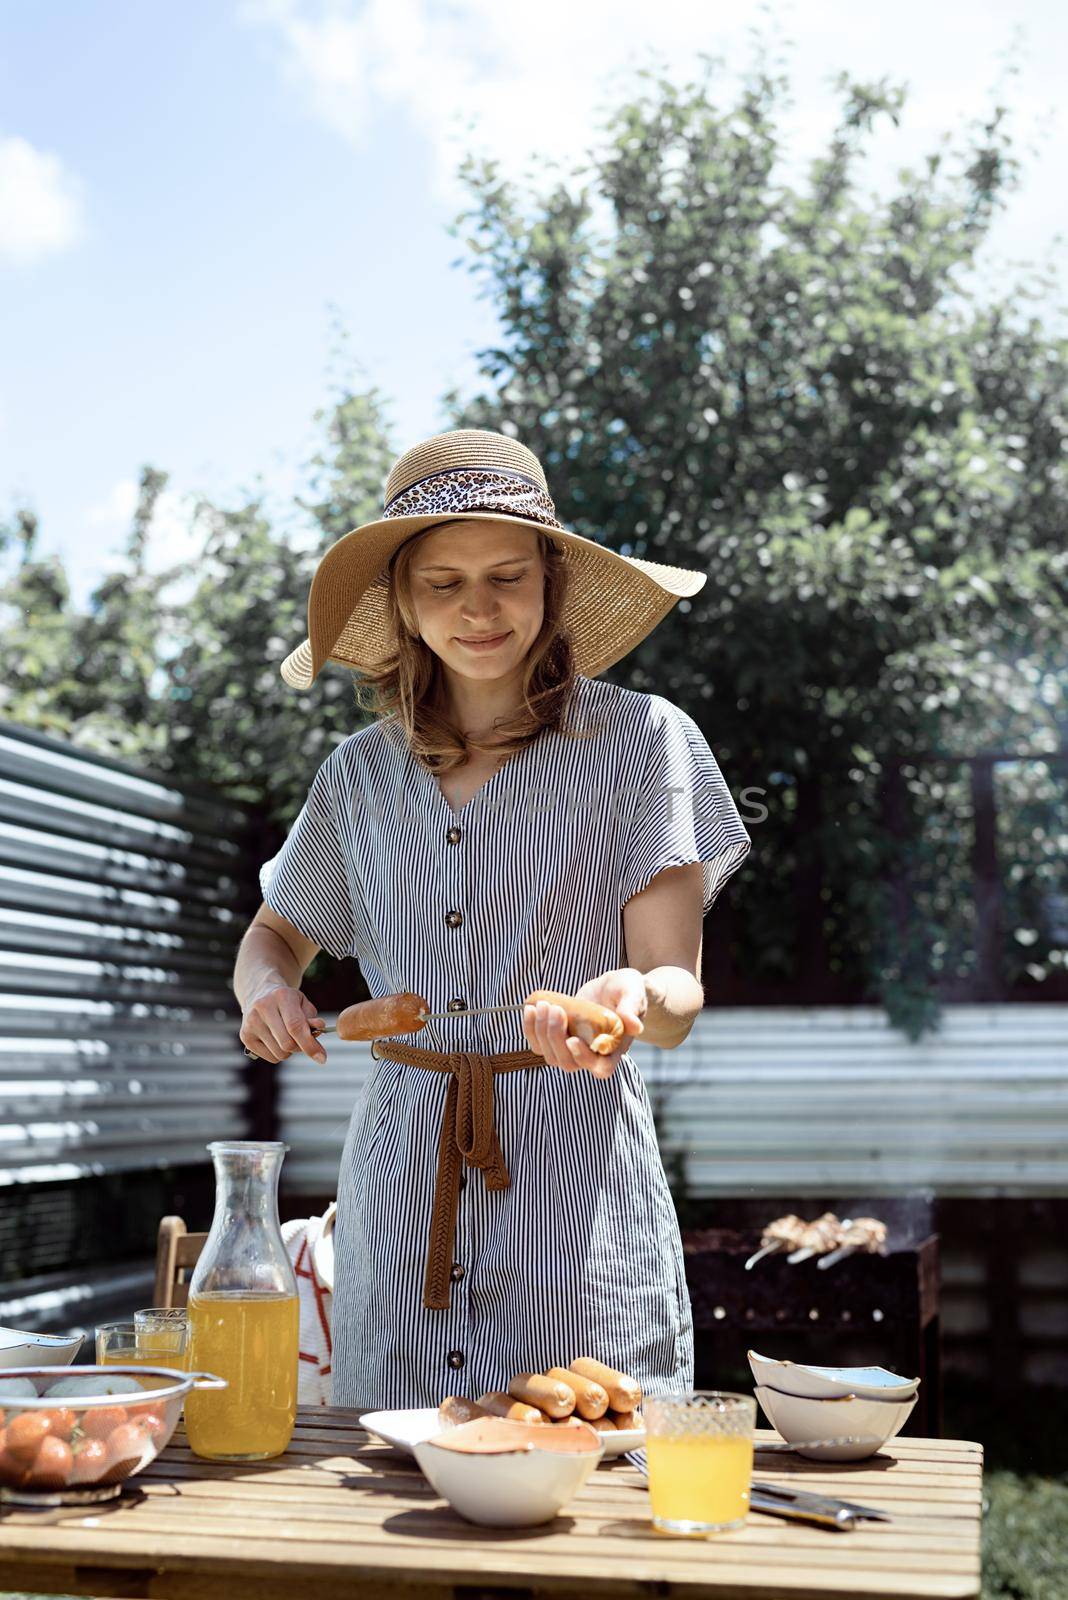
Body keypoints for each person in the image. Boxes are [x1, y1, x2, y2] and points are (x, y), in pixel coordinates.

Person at [233, 427, 752, 1410]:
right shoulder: (355, 777)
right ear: (403, 601)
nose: (478, 608)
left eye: (507, 575)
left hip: (573, 1181)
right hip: (401, 1177)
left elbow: (676, 989)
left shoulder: (644, 743)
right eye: (444, 582)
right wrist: (268, 989)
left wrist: (630, 996)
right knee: (397, 1483)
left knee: (589, 1463)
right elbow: (273, 934)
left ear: (552, 582)